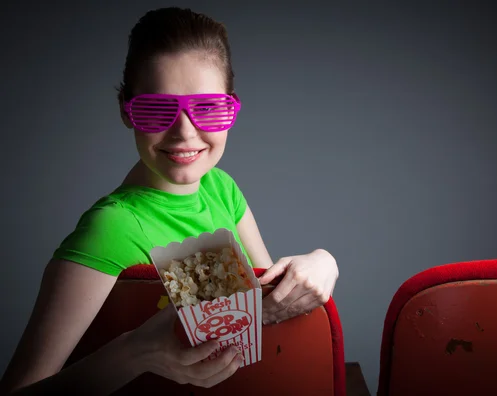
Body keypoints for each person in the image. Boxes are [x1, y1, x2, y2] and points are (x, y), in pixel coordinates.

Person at [0, 7, 339, 395]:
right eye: (156, 109)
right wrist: (137, 352)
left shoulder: (221, 188)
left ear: (230, 108)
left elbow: (269, 310)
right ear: (126, 111)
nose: (184, 133)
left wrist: (322, 262)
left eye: (208, 108)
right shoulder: (110, 228)